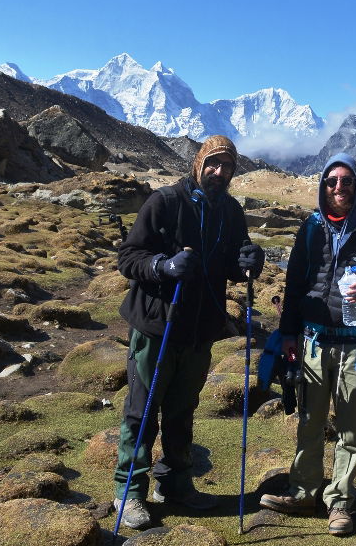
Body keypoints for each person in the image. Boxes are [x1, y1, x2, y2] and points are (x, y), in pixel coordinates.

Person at [113, 135, 265, 530]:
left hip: (200, 330)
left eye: (227, 166)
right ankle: (128, 491)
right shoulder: (164, 201)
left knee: (182, 411)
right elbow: (129, 257)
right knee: (142, 411)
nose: (219, 172)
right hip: (157, 326)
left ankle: (175, 483)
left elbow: (235, 263)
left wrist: (249, 261)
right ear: (198, 164)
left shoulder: (231, 210)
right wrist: (163, 266)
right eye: (212, 163)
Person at [259, 153, 356, 536]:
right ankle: (304, 491)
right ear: (323, 186)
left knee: (350, 428)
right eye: (332, 182)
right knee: (308, 422)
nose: (339, 188)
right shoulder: (310, 227)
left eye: (346, 181)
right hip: (312, 342)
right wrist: (288, 333)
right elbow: (294, 285)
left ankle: (340, 502)